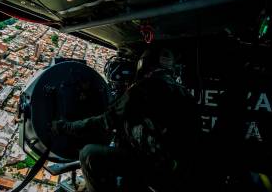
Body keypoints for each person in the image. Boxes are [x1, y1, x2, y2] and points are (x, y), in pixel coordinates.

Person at [52, 46, 199, 192]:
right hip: (176, 171)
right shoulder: (185, 93)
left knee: (88, 154)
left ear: (143, 64)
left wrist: (64, 126)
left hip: (153, 167)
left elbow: (104, 123)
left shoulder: (141, 90)